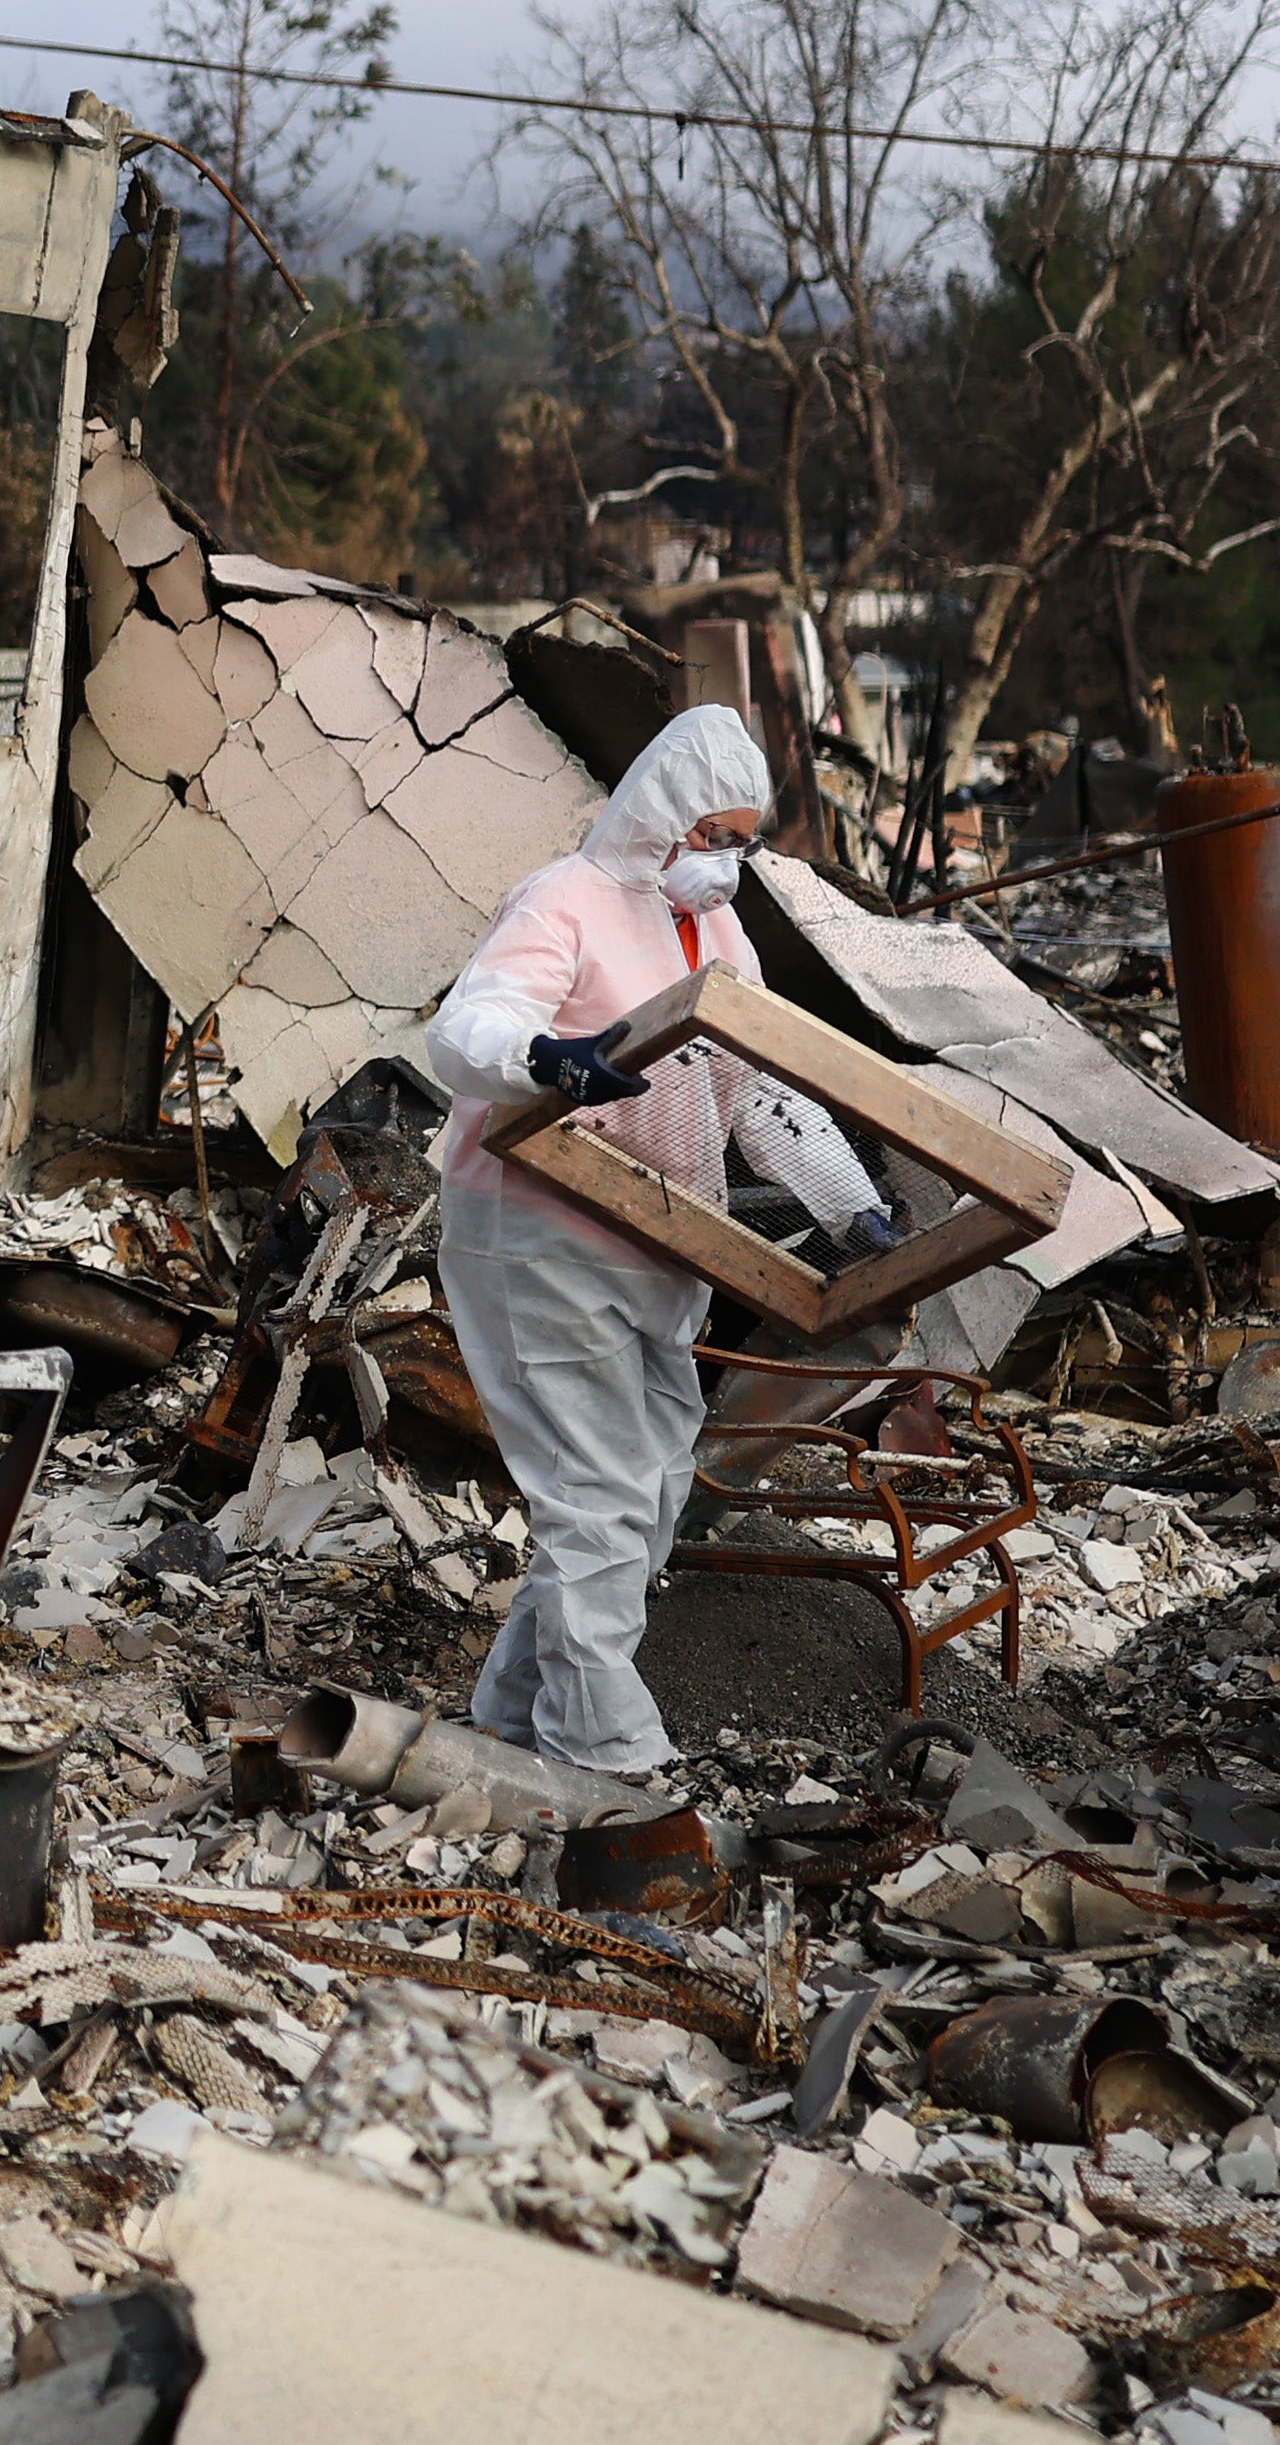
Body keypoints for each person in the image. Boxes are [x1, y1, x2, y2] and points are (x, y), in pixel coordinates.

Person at [421, 706, 893, 1774]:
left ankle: (510, 1715)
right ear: (660, 819)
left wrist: (850, 1209)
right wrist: (550, 1058)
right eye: (711, 836)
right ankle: (604, 1752)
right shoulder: (565, 901)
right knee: (599, 1490)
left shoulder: (717, 931)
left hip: (661, 1238)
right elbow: (468, 1027)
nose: (725, 860)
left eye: (741, 840)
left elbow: (759, 1089)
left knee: (656, 1481)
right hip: (538, 1231)